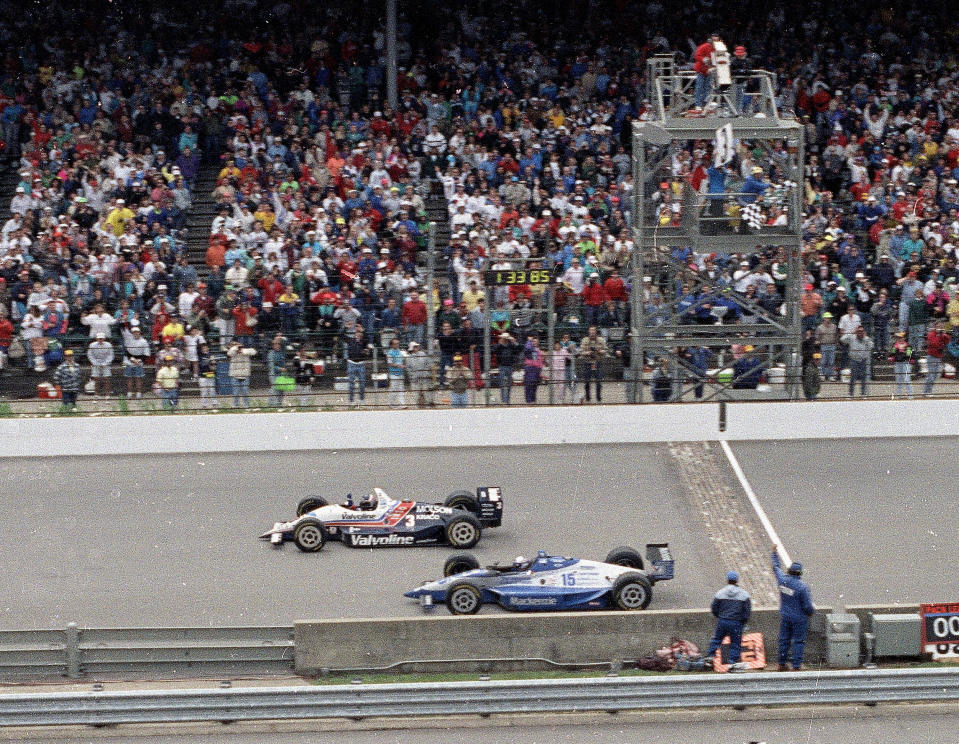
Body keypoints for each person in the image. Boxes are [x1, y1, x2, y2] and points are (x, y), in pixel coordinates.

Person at [772, 545, 815, 671]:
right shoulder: (802, 587)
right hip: (799, 618)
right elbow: (807, 606)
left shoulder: (782, 580)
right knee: (798, 641)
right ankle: (796, 665)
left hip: (785, 616)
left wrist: (774, 554)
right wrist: (810, 612)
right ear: (800, 573)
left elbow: (776, 568)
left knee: (784, 640)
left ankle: (781, 663)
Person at [707, 570, 751, 667]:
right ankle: (732, 662)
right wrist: (743, 622)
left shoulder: (720, 593)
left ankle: (710, 657)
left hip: (723, 621)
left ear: (727, 580)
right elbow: (747, 612)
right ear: (737, 580)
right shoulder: (744, 594)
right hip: (736, 622)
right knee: (735, 643)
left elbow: (714, 608)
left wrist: (719, 616)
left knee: (717, 639)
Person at [578, 325, 608, 403]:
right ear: (588, 331)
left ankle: (598, 398)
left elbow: (606, 350)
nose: (592, 332)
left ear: (596, 331)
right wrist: (588, 353)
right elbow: (581, 352)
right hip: (587, 362)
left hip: (598, 362)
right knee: (587, 381)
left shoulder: (601, 340)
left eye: (593, 330)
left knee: (598, 381)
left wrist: (600, 351)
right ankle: (588, 398)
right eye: (591, 330)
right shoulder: (585, 340)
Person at [841, 325, 873, 397]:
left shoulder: (866, 339)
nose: (860, 333)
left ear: (863, 332)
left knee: (863, 377)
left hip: (863, 360)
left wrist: (866, 339)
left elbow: (871, 346)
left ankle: (863, 393)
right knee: (853, 377)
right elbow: (842, 339)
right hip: (854, 360)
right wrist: (851, 333)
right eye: (858, 331)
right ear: (856, 332)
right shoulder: (852, 338)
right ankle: (851, 393)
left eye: (861, 331)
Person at [343, 325, 371, 404]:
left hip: (361, 363)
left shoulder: (364, 341)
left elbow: (368, 338)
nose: (359, 334)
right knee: (351, 383)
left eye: (360, 332)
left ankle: (361, 399)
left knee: (362, 383)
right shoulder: (350, 340)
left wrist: (363, 330)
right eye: (357, 332)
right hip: (351, 363)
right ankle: (351, 400)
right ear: (355, 334)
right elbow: (341, 335)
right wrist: (346, 327)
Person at [122, 321, 150, 399]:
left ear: (139, 333)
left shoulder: (144, 342)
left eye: (137, 332)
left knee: (138, 379)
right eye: (134, 332)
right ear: (132, 333)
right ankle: (129, 393)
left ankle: (138, 393)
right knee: (129, 378)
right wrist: (133, 360)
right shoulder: (128, 340)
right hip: (129, 362)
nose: (136, 333)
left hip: (139, 363)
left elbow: (146, 354)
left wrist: (139, 361)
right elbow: (127, 352)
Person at [406, 340, 435, 407]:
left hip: (425, 378)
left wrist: (426, 373)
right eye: (415, 346)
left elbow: (428, 364)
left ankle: (429, 407)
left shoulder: (423, 354)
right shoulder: (408, 358)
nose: (416, 348)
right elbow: (408, 369)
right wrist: (413, 376)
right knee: (416, 395)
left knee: (427, 394)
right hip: (415, 380)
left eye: (417, 346)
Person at [227, 342, 256, 408]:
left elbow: (254, 352)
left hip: (245, 375)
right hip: (235, 375)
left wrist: (242, 350)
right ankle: (235, 405)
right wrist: (235, 347)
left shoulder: (246, 351)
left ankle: (246, 405)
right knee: (235, 393)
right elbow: (229, 353)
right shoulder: (232, 352)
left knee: (245, 392)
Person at [924, 321, 949, 396]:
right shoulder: (931, 334)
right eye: (938, 326)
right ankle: (927, 392)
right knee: (931, 375)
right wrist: (939, 337)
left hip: (938, 357)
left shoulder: (942, 335)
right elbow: (933, 343)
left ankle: (928, 390)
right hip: (931, 357)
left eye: (940, 327)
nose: (939, 328)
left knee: (936, 374)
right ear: (935, 327)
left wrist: (943, 335)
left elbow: (947, 341)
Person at [87, 332, 114, 399]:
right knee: (96, 379)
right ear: (96, 338)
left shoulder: (109, 345)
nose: (100, 340)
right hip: (95, 363)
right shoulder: (92, 345)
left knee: (107, 378)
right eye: (99, 338)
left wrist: (105, 363)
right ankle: (96, 394)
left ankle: (107, 394)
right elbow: (90, 355)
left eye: (101, 338)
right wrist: (95, 363)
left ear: (104, 338)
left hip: (106, 363)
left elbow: (111, 355)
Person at [495, 332, 520, 404]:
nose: (505, 340)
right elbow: (494, 350)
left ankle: (507, 400)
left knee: (509, 384)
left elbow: (518, 350)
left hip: (510, 366)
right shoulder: (499, 346)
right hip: (502, 366)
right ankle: (504, 400)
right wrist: (500, 344)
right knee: (502, 384)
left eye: (506, 338)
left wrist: (514, 342)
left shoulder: (511, 345)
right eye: (504, 338)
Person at [889, 331, 913, 398]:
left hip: (906, 363)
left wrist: (900, 354)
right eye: (899, 338)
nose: (900, 339)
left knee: (907, 379)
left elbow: (909, 355)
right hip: (897, 364)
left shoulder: (908, 346)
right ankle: (898, 395)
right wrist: (898, 355)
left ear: (904, 338)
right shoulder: (894, 346)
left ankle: (910, 396)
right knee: (898, 380)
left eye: (901, 337)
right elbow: (891, 354)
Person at [522, 335, 544, 403]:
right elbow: (527, 348)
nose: (535, 343)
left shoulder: (539, 350)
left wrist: (540, 368)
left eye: (536, 341)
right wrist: (529, 341)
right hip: (530, 368)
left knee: (534, 385)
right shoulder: (529, 348)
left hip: (537, 369)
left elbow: (540, 360)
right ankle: (528, 400)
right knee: (529, 385)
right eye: (533, 341)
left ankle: (533, 400)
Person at [385, 336, 406, 408]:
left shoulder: (400, 351)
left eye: (398, 343)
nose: (397, 345)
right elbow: (390, 363)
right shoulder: (390, 353)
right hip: (394, 374)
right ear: (392, 345)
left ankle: (402, 403)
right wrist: (398, 365)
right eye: (395, 343)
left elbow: (403, 359)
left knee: (401, 389)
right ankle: (390, 403)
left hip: (400, 373)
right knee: (393, 389)